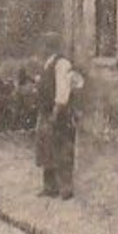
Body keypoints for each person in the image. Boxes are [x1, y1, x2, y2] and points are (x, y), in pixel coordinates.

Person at [35, 39, 83, 199]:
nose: (44, 48)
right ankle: (50, 187)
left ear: (52, 46)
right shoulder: (47, 63)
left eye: (47, 45)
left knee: (63, 150)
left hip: (60, 112)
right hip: (46, 111)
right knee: (47, 149)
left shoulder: (62, 63)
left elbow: (63, 91)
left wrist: (56, 113)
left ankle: (66, 188)